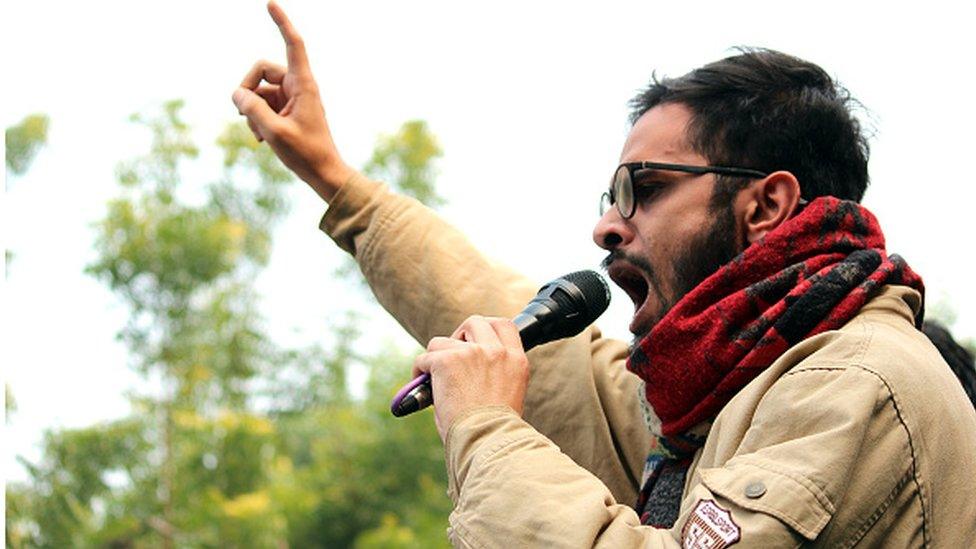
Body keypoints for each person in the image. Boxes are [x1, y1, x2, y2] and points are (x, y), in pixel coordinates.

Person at [233, 3, 976, 546]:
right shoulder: (712, 399)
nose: (607, 225)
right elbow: (551, 359)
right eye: (611, 197)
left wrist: (487, 431)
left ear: (765, 205)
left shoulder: (858, 381)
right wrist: (337, 182)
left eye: (645, 189)